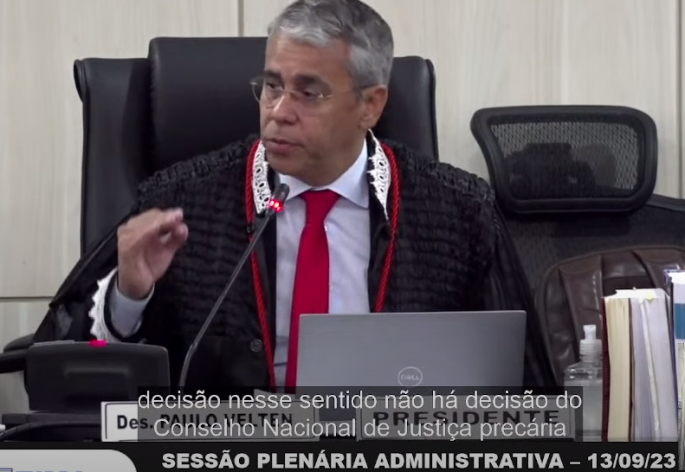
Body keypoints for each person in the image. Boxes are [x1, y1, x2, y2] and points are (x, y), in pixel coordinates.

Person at [34, 0, 555, 391]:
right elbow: (59, 370)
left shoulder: (458, 212)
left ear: (371, 105)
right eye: (271, 85)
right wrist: (128, 296)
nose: (279, 111)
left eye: (309, 92)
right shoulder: (180, 201)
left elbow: (527, 389)